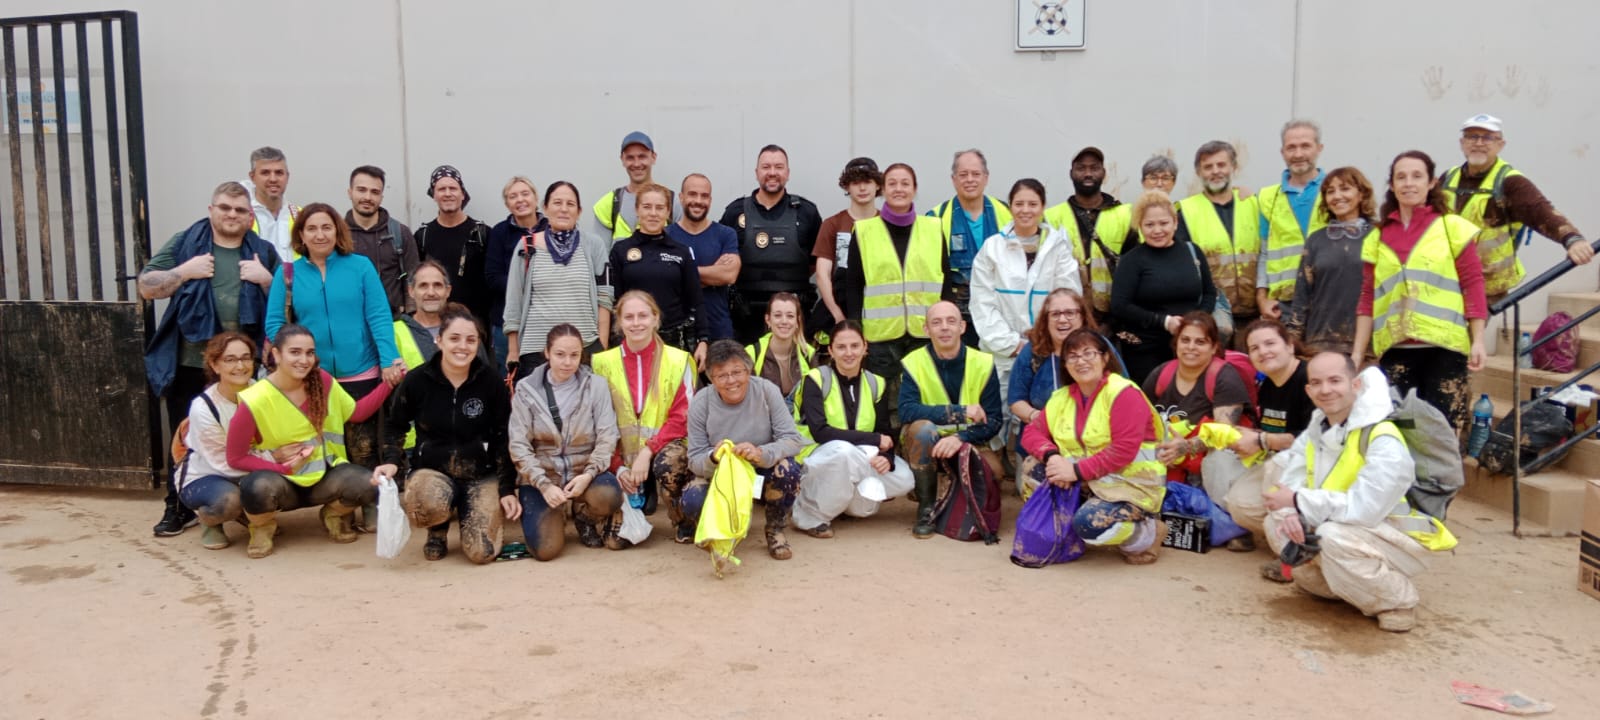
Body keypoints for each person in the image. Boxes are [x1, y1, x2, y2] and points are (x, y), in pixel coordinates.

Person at [1261, 353, 1456, 633]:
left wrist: (1296, 501)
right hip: (1348, 524)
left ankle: (1397, 600)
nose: (1325, 390)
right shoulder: (1319, 426)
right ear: (1308, 390)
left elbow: (1365, 509)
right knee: (1277, 522)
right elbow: (1287, 473)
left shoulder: (1382, 436)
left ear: (1355, 385)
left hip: (1398, 534)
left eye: (1335, 380)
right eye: (1316, 382)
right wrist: (1290, 510)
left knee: (1329, 537)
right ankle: (1345, 587)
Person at [141, 181, 282, 536]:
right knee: (184, 437)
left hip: (242, 368)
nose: (231, 215)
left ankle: (242, 503)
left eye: (239, 210)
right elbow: (146, 285)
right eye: (224, 208)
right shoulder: (185, 243)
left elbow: (287, 300)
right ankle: (178, 506)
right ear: (211, 210)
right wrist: (184, 271)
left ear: (250, 216)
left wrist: (268, 281)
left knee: (246, 436)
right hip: (191, 362)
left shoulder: (262, 251)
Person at [264, 202, 403, 512]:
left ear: (337, 231)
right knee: (321, 447)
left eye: (326, 227)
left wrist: (387, 360)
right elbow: (275, 323)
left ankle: (369, 505)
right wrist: (297, 360)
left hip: (362, 372)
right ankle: (336, 510)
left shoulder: (360, 267)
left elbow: (379, 315)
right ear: (300, 233)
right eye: (311, 228)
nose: (320, 234)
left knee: (363, 447)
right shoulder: (288, 274)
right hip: (314, 377)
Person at [226, 325, 390, 558]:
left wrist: (389, 384)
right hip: (280, 481)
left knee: (368, 482)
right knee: (255, 488)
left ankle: (333, 515)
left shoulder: (322, 380)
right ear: (276, 354)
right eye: (295, 352)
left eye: (310, 353)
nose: (304, 360)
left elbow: (357, 413)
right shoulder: (255, 398)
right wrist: (279, 467)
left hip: (325, 476)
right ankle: (262, 528)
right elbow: (235, 457)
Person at [1353, 151, 1487, 431]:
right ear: (1391, 184)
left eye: (1417, 176)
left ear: (1431, 183)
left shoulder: (1452, 228)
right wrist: (1357, 354)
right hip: (1396, 349)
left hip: (1445, 348)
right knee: (1400, 432)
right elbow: (1367, 298)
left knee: (1445, 432)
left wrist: (1478, 340)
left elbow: (1472, 283)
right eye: (1400, 177)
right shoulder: (1377, 237)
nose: (1408, 183)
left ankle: (1446, 479)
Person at [373, 307, 513, 564]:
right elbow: (395, 425)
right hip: (432, 472)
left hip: (480, 474)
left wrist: (505, 488)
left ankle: (470, 513)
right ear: (439, 340)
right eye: (454, 338)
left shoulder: (491, 382)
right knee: (424, 502)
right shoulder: (417, 380)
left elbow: (503, 436)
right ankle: (437, 529)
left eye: (471, 340)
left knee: (482, 554)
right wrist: (393, 460)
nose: (463, 346)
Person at [1019, 329, 1169, 564]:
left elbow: (1123, 450)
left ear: (1105, 358)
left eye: (1089, 353)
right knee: (1032, 467)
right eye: (1073, 356)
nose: (1081, 361)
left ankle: (1145, 535)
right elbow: (1031, 433)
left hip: (1131, 487)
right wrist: (1052, 456)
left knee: (1089, 525)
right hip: (1089, 481)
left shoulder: (1123, 393)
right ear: (1065, 364)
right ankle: (1067, 530)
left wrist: (1075, 471)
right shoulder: (1061, 397)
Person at [1441, 113, 1593, 303]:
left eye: (1487, 137)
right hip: (1444, 279)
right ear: (1462, 143)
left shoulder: (1511, 182)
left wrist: (1572, 239)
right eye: (1472, 137)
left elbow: (1541, 211)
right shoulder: (1448, 178)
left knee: (1462, 333)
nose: (1479, 143)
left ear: (1500, 145)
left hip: (1485, 286)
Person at [505, 325, 627, 559]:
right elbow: (519, 445)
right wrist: (543, 484)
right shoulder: (526, 389)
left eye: (574, 355)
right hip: (543, 475)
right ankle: (555, 511)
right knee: (545, 550)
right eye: (560, 354)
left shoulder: (596, 386)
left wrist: (589, 475)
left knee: (608, 495)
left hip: (583, 471)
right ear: (547, 352)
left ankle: (584, 516)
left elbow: (607, 436)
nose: (567, 362)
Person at [837, 163, 952, 401]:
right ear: (882, 189)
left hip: (924, 332)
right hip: (880, 337)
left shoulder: (933, 228)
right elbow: (854, 284)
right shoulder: (864, 230)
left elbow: (945, 280)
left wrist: (946, 323)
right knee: (879, 400)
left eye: (905, 183)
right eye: (892, 184)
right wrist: (856, 327)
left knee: (924, 397)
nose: (899, 189)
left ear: (915, 189)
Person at [686, 340, 808, 560]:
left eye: (737, 372)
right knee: (692, 497)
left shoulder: (766, 391)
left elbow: (792, 440)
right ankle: (717, 531)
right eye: (722, 375)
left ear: (748, 370)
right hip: (722, 476)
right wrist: (713, 457)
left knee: (788, 469)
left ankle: (775, 530)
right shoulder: (701, 401)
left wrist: (761, 453)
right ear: (711, 379)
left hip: (760, 472)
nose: (731, 381)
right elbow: (694, 458)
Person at [591, 291, 695, 531]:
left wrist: (648, 452)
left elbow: (683, 417)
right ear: (619, 322)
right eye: (628, 317)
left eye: (642, 316)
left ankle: (682, 521)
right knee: (615, 539)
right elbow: (597, 421)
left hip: (661, 451)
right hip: (618, 457)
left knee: (671, 462)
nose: (636, 323)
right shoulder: (601, 363)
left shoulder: (678, 360)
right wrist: (618, 467)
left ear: (655, 318)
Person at [793, 320, 908, 537]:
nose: (849, 353)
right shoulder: (815, 379)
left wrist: (886, 457)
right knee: (844, 452)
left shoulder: (876, 383)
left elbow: (885, 431)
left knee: (903, 478)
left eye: (855, 346)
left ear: (865, 347)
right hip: (818, 455)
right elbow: (820, 432)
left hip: (855, 456)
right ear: (830, 350)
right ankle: (808, 516)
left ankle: (844, 504)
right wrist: (874, 440)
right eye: (841, 347)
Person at [899, 301, 1004, 537]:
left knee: (995, 472)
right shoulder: (914, 363)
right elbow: (906, 411)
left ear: (963, 327)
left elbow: (995, 420)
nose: (944, 327)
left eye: (951, 321)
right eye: (936, 322)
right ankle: (926, 505)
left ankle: (954, 495)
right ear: (926, 330)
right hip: (929, 441)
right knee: (921, 429)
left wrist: (960, 437)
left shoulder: (983, 362)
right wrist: (959, 412)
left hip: (970, 441)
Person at [970, 177, 1081, 389]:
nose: (1025, 210)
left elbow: (1070, 300)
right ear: (1010, 206)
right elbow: (982, 305)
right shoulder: (992, 249)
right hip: (1002, 356)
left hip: (1049, 354)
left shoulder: (1058, 248)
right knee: (1003, 415)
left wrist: (1045, 343)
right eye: (1019, 204)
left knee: (1048, 414)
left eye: (1032, 204)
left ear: (1042, 207)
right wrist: (1014, 345)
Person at [1007, 289, 1114, 499]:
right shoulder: (1032, 352)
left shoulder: (1100, 348)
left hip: (1093, 443)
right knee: (1033, 488)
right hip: (1043, 441)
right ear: (1045, 320)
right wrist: (1038, 418)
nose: (1062, 319)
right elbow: (1015, 400)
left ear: (1082, 316)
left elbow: (1120, 393)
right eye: (1055, 314)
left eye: (1070, 313)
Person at [504, 181, 613, 379]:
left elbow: (604, 296)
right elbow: (514, 300)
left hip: (584, 348)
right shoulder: (527, 246)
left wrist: (602, 344)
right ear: (545, 208)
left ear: (579, 211)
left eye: (570, 204)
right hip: (536, 350)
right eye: (557, 203)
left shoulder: (593, 245)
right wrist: (513, 350)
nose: (563, 209)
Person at [1220, 319, 1314, 546]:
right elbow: (1269, 430)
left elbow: (1314, 437)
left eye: (1270, 343)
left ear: (1289, 345)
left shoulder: (1310, 379)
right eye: (1254, 348)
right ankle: (1286, 540)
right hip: (1276, 459)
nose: (1263, 352)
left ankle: (1296, 553)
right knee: (1239, 504)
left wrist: (1262, 440)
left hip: (1312, 467)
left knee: (1276, 467)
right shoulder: (1267, 386)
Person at [1111, 191, 1218, 383]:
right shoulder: (1131, 261)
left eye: (1163, 223)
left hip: (1191, 346)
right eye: (1149, 225)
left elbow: (1209, 292)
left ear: (1175, 222)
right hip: (1146, 350)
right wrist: (1164, 322)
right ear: (1140, 227)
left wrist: (1194, 322)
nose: (1157, 230)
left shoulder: (1192, 252)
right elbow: (1120, 305)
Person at [720, 144, 823, 343]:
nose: (772, 173)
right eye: (766, 167)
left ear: (788, 172)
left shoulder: (807, 212)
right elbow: (723, 262)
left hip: (793, 315)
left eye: (779, 167)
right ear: (756, 172)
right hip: (745, 317)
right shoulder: (735, 212)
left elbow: (816, 262)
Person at [177, 332, 264, 550]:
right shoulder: (203, 406)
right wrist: (275, 461)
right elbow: (223, 461)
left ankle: (254, 517)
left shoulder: (262, 393)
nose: (240, 366)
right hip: (206, 475)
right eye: (230, 360)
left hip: (248, 468)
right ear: (215, 366)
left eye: (246, 358)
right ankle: (210, 520)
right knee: (229, 500)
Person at [610, 183, 707, 363]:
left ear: (668, 212)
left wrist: (703, 340)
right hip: (633, 339)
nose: (653, 213)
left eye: (659, 207)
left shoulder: (681, 252)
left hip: (674, 341)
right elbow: (615, 301)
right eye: (647, 207)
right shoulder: (620, 250)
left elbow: (696, 299)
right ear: (637, 210)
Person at [1176, 141, 1260, 347]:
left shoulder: (1255, 203)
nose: (1215, 171)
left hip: (1257, 312)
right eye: (1208, 167)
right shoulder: (1186, 211)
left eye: (1221, 165)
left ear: (1233, 167)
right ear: (1198, 172)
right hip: (1212, 314)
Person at [1286, 167, 1377, 354]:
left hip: (1368, 345)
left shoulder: (1379, 235)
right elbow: (1302, 295)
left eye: (1345, 189)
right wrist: (1293, 342)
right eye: (1330, 191)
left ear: (1361, 194)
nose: (1337, 196)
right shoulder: (1316, 240)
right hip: (1320, 343)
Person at [929, 149, 1013, 344]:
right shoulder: (935, 218)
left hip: (1000, 314)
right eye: (963, 174)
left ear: (986, 178)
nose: (970, 180)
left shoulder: (1008, 214)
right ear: (953, 179)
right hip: (956, 319)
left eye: (976, 174)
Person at [1043, 147, 1135, 322]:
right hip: (1068, 316)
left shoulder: (1125, 215)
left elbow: (1136, 269)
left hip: (1116, 318)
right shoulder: (1053, 217)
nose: (1088, 173)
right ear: (1071, 173)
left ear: (1103, 173)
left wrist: (1115, 322)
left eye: (1094, 168)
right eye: (1081, 168)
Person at [1256, 120, 1327, 322]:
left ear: (1319, 149)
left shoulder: (1336, 191)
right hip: (1285, 305)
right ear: (1282, 152)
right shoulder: (1267, 197)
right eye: (1291, 147)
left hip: (1329, 298)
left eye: (1305, 146)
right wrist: (1262, 298)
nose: (1298, 154)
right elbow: (1264, 253)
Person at [811, 158, 881, 334]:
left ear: (878, 185)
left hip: (879, 309)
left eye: (867, 182)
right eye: (856, 183)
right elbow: (822, 274)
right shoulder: (832, 224)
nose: (862, 188)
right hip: (839, 307)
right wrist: (837, 314)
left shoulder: (887, 224)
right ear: (846, 187)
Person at [415, 165, 493, 324]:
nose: (448, 194)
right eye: (441, 189)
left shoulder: (482, 233)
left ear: (462, 194)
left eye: (453, 188)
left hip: (477, 325)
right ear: (434, 195)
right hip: (435, 325)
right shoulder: (422, 236)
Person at [668, 173, 741, 342]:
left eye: (704, 196)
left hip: (718, 329)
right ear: (681, 197)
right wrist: (712, 274)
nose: (698, 201)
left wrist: (683, 273)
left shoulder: (725, 234)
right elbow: (665, 280)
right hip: (676, 332)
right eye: (692, 194)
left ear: (710, 200)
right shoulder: (666, 236)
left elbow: (729, 275)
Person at [485, 176, 546, 372]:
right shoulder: (499, 233)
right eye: (513, 196)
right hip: (507, 321)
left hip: (545, 316)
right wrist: (525, 286)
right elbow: (492, 277)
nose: (520, 200)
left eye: (525, 194)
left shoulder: (552, 228)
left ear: (536, 198)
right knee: (511, 377)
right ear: (507, 204)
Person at [345, 165, 417, 317]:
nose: (368, 197)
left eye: (375, 192)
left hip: (393, 323)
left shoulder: (400, 233)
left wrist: (411, 319)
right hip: (349, 323)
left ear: (381, 197)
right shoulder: (336, 234)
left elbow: (413, 281)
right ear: (350, 192)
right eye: (361, 190)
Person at [592, 131, 678, 242]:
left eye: (642, 156)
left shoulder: (672, 202)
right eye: (630, 158)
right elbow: (601, 255)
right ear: (622, 160)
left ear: (653, 157)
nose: (636, 164)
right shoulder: (607, 205)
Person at [745, 292, 815, 407]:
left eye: (790, 316)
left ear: (797, 321)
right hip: (764, 422)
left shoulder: (808, 353)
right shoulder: (751, 353)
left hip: (799, 424)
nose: (784, 321)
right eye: (778, 315)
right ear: (768, 320)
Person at [243, 146, 299, 260]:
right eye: (265, 173)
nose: (273, 179)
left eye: (279, 173)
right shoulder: (240, 215)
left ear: (287, 177)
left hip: (294, 278)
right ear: (252, 177)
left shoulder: (301, 216)